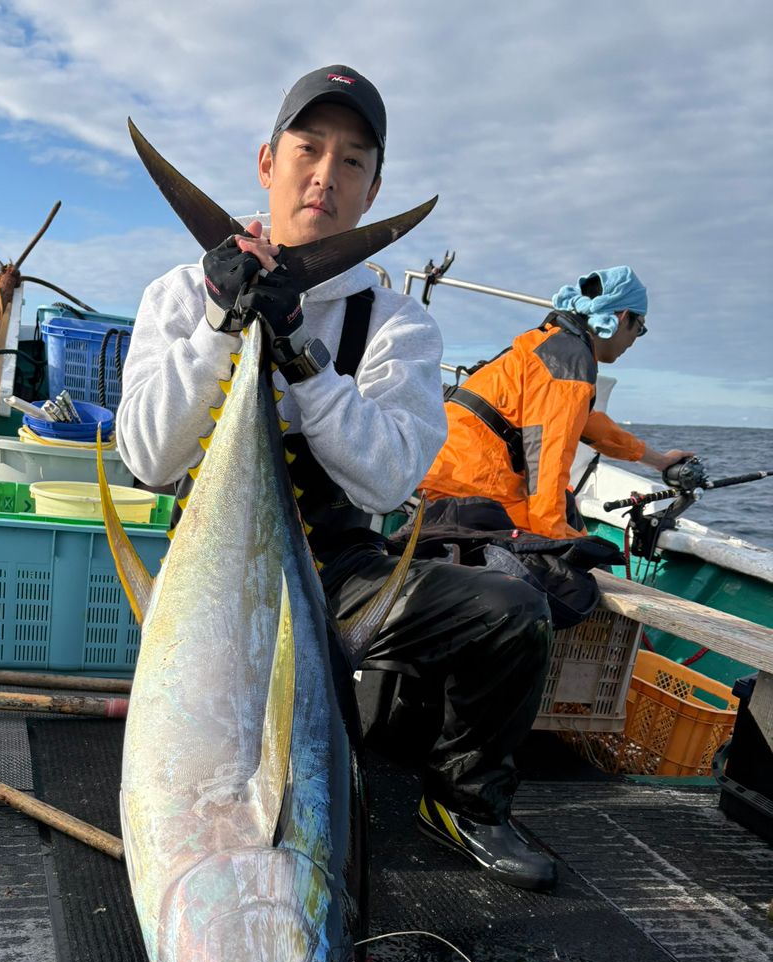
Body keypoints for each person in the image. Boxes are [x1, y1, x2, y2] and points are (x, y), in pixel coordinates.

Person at [115, 65, 557, 891]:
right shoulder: (179, 294)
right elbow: (147, 458)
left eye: (353, 161)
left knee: (514, 613)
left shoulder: (397, 324)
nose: (326, 174)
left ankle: (466, 803)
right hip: (209, 577)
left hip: (343, 574)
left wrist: (305, 365)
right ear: (266, 162)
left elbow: (388, 483)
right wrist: (220, 328)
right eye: (308, 149)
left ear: (373, 185)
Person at [421, 267, 694, 539]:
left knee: (573, 524)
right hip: (470, 495)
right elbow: (547, 466)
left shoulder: (551, 344)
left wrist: (659, 460)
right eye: (640, 328)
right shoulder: (569, 366)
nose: (635, 339)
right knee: (579, 553)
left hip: (441, 477)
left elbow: (591, 426)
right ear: (622, 317)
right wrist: (553, 544)